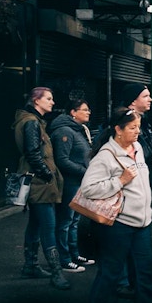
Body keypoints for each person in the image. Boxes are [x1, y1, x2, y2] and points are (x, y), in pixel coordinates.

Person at [79, 107, 152, 303]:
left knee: (145, 273)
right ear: (118, 129)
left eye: (139, 127)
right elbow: (88, 188)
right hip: (118, 225)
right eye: (132, 128)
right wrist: (119, 181)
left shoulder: (138, 148)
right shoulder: (105, 155)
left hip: (142, 223)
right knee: (111, 272)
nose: (137, 132)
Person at [12, 87, 70, 290]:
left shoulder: (32, 121)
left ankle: (31, 265)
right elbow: (33, 153)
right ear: (36, 101)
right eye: (49, 98)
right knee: (48, 226)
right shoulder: (31, 122)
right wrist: (47, 174)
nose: (53, 102)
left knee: (36, 223)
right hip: (40, 182)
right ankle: (56, 273)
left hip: (38, 180)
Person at [50, 98, 95, 272]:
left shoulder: (78, 130)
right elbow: (62, 160)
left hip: (78, 182)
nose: (89, 112)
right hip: (69, 183)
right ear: (73, 112)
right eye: (84, 109)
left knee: (74, 221)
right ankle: (65, 259)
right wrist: (85, 171)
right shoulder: (65, 131)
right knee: (65, 221)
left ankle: (74, 255)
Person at [119, 83, 152, 203]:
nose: (150, 99)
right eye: (145, 96)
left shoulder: (144, 123)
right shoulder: (122, 123)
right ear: (133, 101)